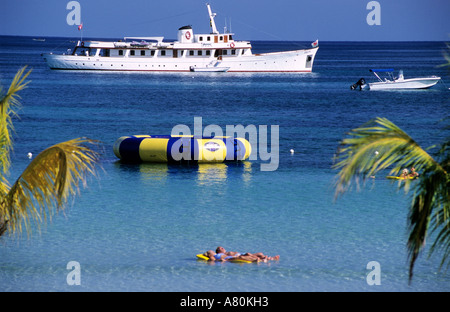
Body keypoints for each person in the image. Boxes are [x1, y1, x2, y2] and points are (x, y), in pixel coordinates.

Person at [214, 246, 280, 262]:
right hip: (237, 256)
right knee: (243, 256)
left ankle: (271, 258)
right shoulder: (217, 255)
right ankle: (262, 260)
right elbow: (215, 259)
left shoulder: (227, 252)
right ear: (218, 251)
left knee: (260, 253)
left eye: (222, 247)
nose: (222, 248)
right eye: (220, 248)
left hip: (241, 254)